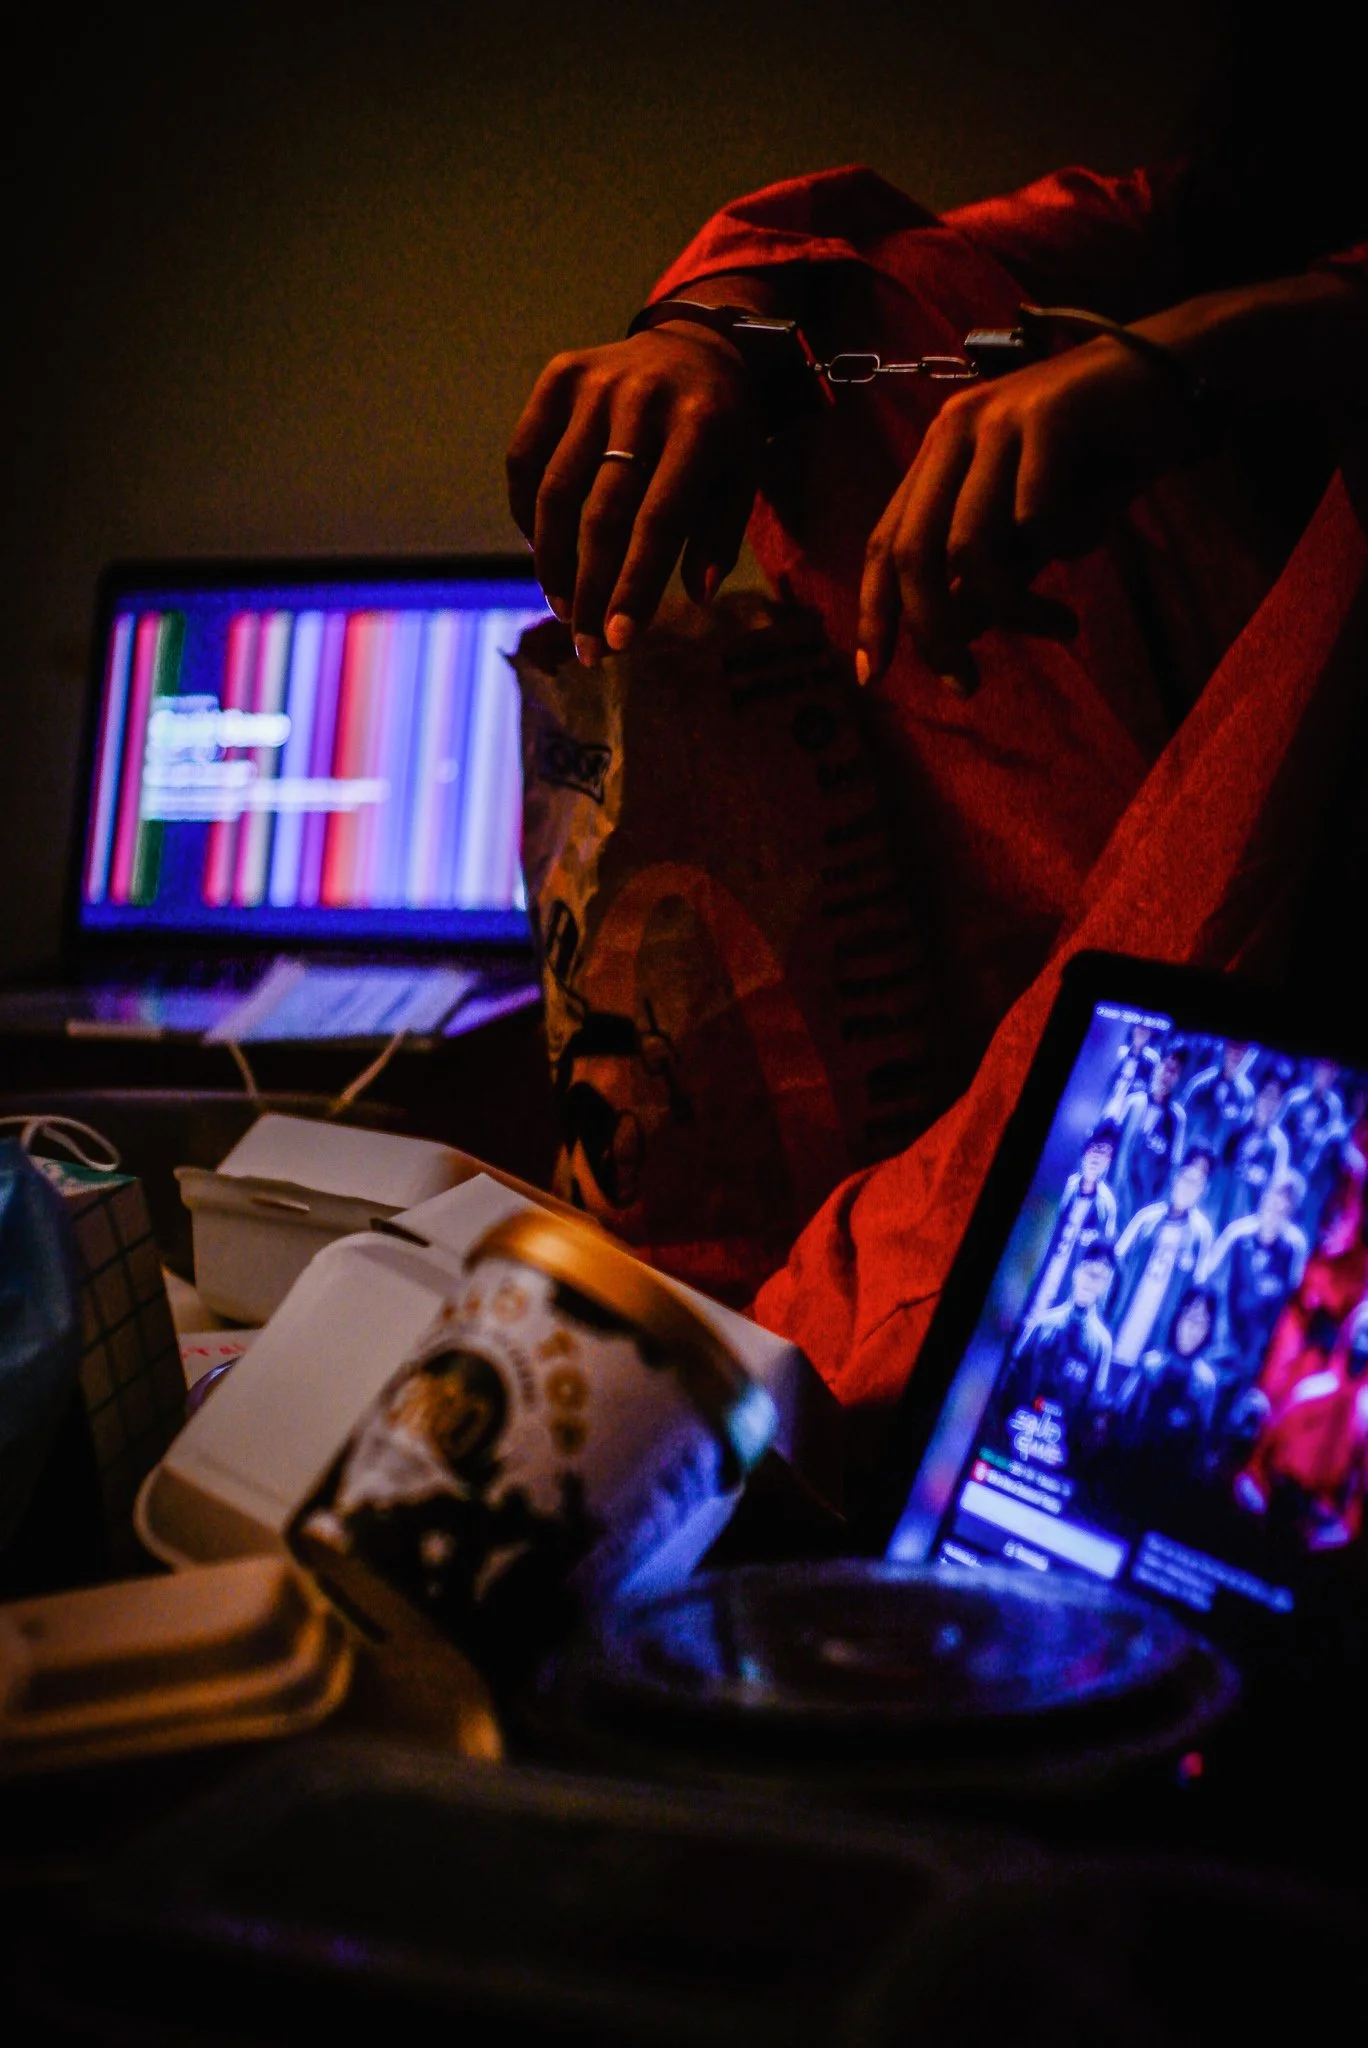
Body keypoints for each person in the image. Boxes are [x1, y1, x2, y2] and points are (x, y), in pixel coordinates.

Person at [505, 29, 1368, 1419]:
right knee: (892, 300)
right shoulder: (1216, 205)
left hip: (1266, 907)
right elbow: (873, 259)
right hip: (1048, 915)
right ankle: (936, 1190)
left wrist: (1215, 355)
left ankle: (975, 1235)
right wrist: (703, 339)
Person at [1108, 1150, 1216, 1374]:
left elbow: (1194, 1294)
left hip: (1155, 1343)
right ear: (1175, 1178)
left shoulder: (1200, 1235)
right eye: (1185, 1178)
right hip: (1118, 1324)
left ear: (1203, 1192)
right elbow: (1115, 1266)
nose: (1188, 1187)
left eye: (1196, 1184)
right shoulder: (1147, 1219)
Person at [1201, 1172, 1310, 1376]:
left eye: (1284, 1207)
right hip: (1219, 1341)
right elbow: (1208, 1281)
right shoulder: (1237, 1236)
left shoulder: (1293, 1248)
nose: (1275, 1211)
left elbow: (1290, 1301)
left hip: (1258, 1354)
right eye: (1274, 1201)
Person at [998, 1243, 1116, 1429]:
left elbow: (1093, 1402)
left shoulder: (1101, 1344)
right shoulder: (1043, 1323)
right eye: (1087, 1271)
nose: (1090, 1282)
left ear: (1105, 1286)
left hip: (1061, 1439)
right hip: (1021, 1424)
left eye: (1099, 1277)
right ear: (1076, 1273)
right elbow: (1013, 1373)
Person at [1024, 1121, 1120, 1323]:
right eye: (1094, 1148)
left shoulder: (1105, 1207)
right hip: (1034, 1279)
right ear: (1085, 1150)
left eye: (1105, 1153)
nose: (1097, 1157)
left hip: (1064, 1296)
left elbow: (1099, 1260)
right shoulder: (1065, 1188)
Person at [1212, 1061, 1292, 1234]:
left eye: (1276, 1099)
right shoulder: (1237, 1130)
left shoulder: (1278, 1145)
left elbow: (1274, 1189)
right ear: (1258, 1096)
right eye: (1267, 1095)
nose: (1269, 1104)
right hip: (1219, 1214)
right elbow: (1219, 1172)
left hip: (1247, 1227)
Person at [1115, 1042, 1189, 1228]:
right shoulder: (1134, 1103)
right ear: (1157, 1066)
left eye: (1174, 1071)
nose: (1167, 1074)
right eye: (1166, 1066)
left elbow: (1172, 1166)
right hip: (1115, 1193)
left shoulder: (1176, 1119)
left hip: (1142, 1204)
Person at [1180, 1039, 1254, 1158]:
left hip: (1216, 1161)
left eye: (1242, 1050)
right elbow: (1181, 1117)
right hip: (1188, 1153)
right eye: (1233, 1048)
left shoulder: (1245, 1094)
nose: (1236, 1055)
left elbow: (1241, 1134)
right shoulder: (1201, 1083)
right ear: (1225, 1049)